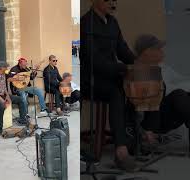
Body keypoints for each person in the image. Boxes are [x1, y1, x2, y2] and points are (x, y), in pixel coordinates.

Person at [81, 0, 136, 171]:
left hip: (111, 76)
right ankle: (121, 150)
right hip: (91, 81)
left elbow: (123, 50)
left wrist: (138, 64)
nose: (112, 3)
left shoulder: (113, 22)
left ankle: (134, 135)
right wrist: (122, 68)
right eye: (108, 0)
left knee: (132, 87)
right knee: (116, 92)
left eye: (114, 0)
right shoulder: (86, 23)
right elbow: (93, 60)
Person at [132, 34, 190, 143]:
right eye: (158, 49)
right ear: (147, 52)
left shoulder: (160, 68)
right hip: (151, 123)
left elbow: (181, 79)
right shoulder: (138, 72)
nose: (162, 52)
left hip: (163, 114)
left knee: (183, 94)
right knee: (179, 94)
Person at [0, 61, 27, 134]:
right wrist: (2, 100)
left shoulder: (3, 74)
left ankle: (22, 120)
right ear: (0, 68)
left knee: (20, 100)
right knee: (2, 106)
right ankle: (0, 129)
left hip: (2, 94)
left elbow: (4, 88)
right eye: (5, 67)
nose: (7, 68)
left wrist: (8, 97)